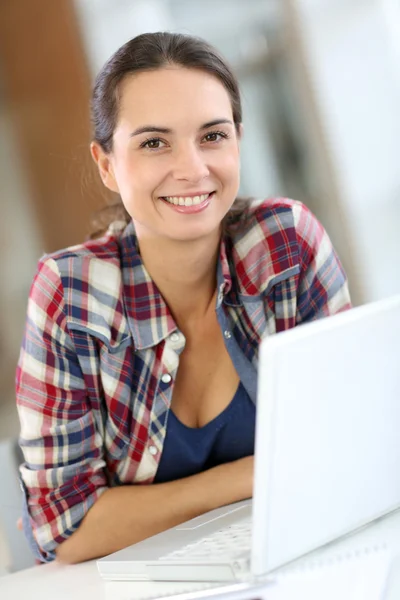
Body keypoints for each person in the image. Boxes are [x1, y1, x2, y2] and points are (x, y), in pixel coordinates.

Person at [16, 32, 351, 566]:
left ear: (238, 140)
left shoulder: (285, 244)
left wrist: (133, 508)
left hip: (302, 558)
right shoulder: (71, 294)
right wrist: (252, 475)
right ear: (106, 164)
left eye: (212, 136)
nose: (192, 168)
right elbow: (66, 530)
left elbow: (350, 443)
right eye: (154, 142)